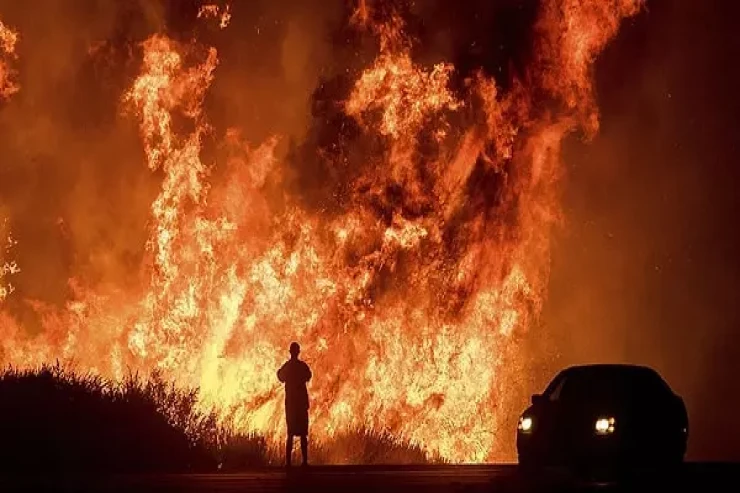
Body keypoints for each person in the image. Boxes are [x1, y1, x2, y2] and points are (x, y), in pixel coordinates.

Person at [277, 342, 312, 467]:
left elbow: (280, 376)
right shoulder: (302, 366)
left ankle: (288, 463)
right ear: (298, 352)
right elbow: (309, 376)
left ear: (290, 352)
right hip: (301, 404)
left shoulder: (287, 366)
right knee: (303, 434)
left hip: (291, 405)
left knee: (290, 433)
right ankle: (304, 461)